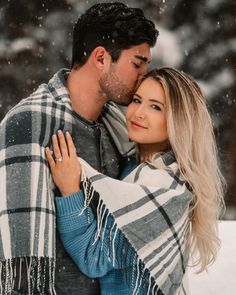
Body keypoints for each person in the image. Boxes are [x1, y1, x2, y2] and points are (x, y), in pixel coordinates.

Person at [0, 2, 158, 294]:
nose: (144, 75)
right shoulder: (30, 124)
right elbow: (18, 254)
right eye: (137, 63)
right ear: (101, 58)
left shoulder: (122, 130)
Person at [45, 67, 225, 294]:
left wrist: (70, 191)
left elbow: (94, 258)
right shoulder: (133, 166)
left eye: (155, 107)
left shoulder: (163, 185)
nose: (138, 112)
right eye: (137, 100)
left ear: (179, 121)